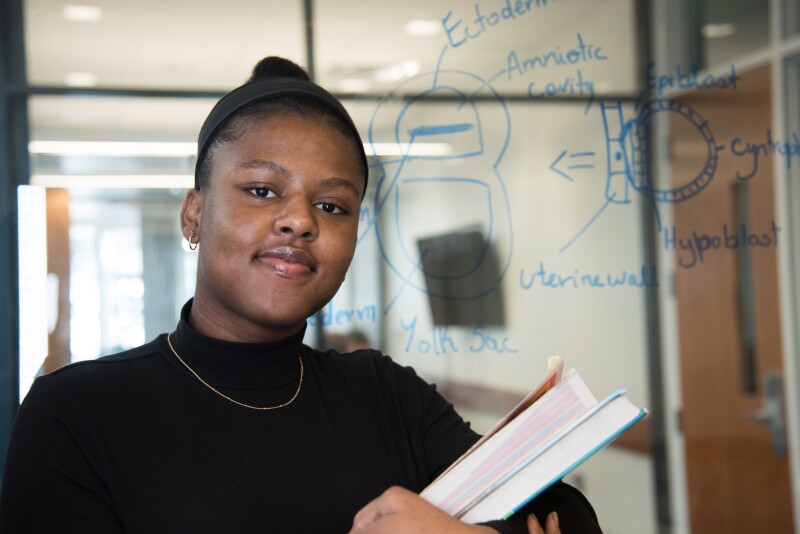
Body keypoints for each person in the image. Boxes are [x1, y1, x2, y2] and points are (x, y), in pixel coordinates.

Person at [0, 57, 601, 534]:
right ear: (194, 212)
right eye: (262, 190)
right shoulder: (75, 414)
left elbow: (566, 516)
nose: (299, 221)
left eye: (332, 205)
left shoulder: (385, 394)